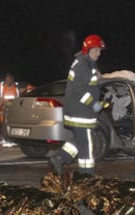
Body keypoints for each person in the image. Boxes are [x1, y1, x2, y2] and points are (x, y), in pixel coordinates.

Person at [48, 34, 106, 176]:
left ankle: (60, 158)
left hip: (80, 113)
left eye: (99, 51)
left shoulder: (86, 63)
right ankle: (87, 176)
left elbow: (88, 85)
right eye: (97, 50)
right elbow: (79, 90)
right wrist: (94, 104)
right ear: (88, 50)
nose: (99, 54)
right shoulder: (82, 64)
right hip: (82, 114)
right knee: (87, 147)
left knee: (81, 141)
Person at [0, 73, 20, 147]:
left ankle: (13, 140)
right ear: (5, 80)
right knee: (3, 125)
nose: (8, 81)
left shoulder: (16, 87)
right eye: (7, 79)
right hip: (2, 109)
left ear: (12, 80)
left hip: (12, 109)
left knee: (12, 124)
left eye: (9, 79)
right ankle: (6, 139)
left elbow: (18, 97)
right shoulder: (1, 86)